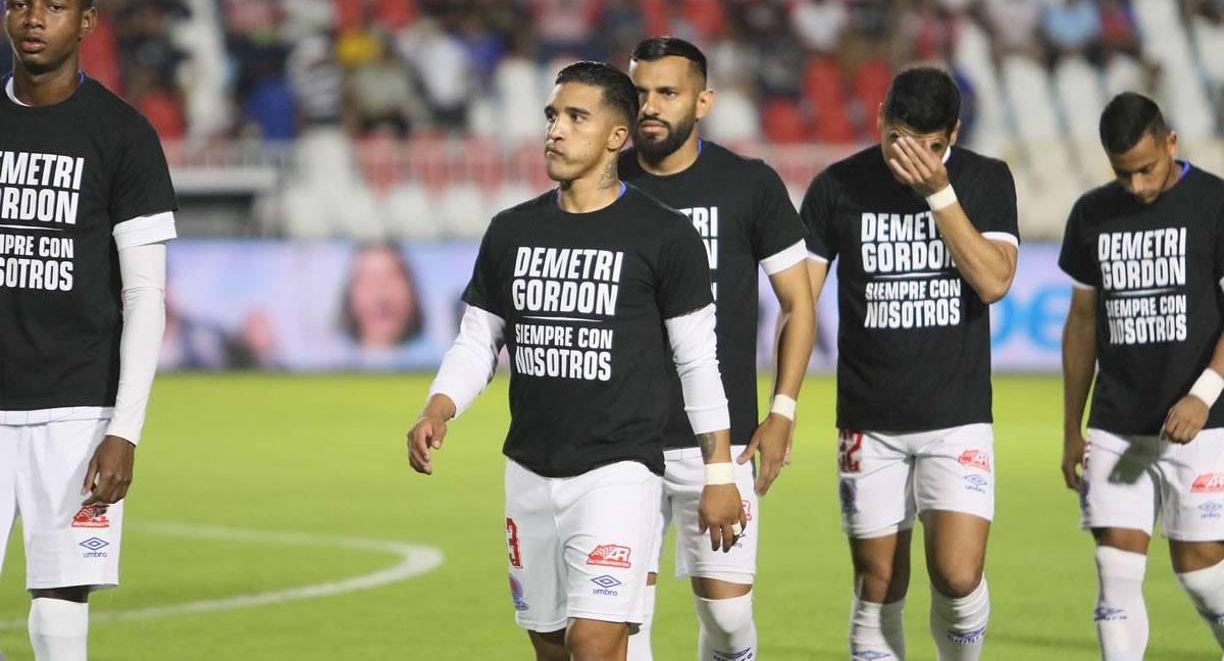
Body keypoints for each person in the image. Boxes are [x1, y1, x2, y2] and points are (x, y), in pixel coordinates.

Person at [407, 61, 746, 661]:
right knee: (551, 648)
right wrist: (439, 407)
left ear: (617, 136)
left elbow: (698, 362)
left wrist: (718, 475)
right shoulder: (511, 230)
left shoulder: (664, 236)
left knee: (594, 642)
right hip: (529, 470)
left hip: (619, 471)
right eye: (552, 116)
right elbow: (479, 340)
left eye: (575, 117)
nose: (555, 130)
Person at [800, 66, 1019, 661]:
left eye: (932, 146)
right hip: (867, 421)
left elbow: (994, 281)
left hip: (957, 417)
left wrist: (939, 194)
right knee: (878, 582)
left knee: (957, 576)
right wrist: (783, 406)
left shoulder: (985, 179)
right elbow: (799, 303)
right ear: (879, 120)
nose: (914, 159)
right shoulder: (837, 186)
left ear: (954, 134)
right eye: (900, 141)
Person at [0, 0, 177, 660]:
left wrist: (124, 430)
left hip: (78, 411)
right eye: (19, 3)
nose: (33, 19)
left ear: (86, 22)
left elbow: (146, 295)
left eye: (54, 5)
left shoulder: (122, 134)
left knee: (60, 602)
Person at [618, 36, 815, 661]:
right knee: (623, 623)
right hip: (619, 440)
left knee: (728, 620)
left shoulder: (748, 185)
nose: (650, 106)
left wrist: (781, 412)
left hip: (718, 441)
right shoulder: (604, 183)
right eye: (639, 93)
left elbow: (798, 303)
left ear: (703, 102)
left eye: (667, 93)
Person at [1059, 92, 1224, 660]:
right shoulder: (1091, 214)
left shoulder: (1214, 203)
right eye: (1122, 173)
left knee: (1200, 571)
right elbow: (1082, 322)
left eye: (1147, 169)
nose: (1136, 186)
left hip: (1204, 425)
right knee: (1115, 570)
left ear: (1170, 143)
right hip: (1116, 425)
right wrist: (1072, 428)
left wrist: (1203, 395)